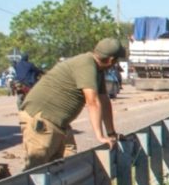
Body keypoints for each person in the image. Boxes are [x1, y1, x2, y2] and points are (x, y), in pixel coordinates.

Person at [18, 37, 127, 169]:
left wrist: (111, 133)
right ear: (111, 60)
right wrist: (100, 136)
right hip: (42, 119)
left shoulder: (97, 70)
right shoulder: (86, 64)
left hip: (59, 124)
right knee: (36, 171)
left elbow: (104, 101)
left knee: (63, 167)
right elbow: (92, 101)